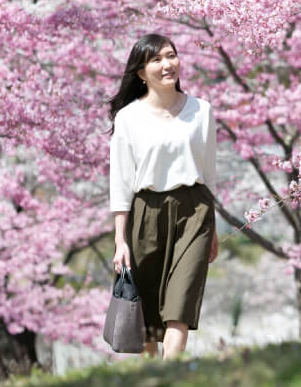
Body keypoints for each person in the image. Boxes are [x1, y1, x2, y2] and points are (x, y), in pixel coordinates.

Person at [107, 33, 219, 358]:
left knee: (180, 303)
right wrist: (120, 240)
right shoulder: (128, 118)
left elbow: (209, 173)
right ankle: (154, 374)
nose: (167, 64)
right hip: (146, 213)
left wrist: (212, 227)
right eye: (156, 59)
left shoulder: (202, 111)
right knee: (149, 313)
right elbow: (121, 183)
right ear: (141, 73)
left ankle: (172, 373)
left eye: (171, 55)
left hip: (195, 210)